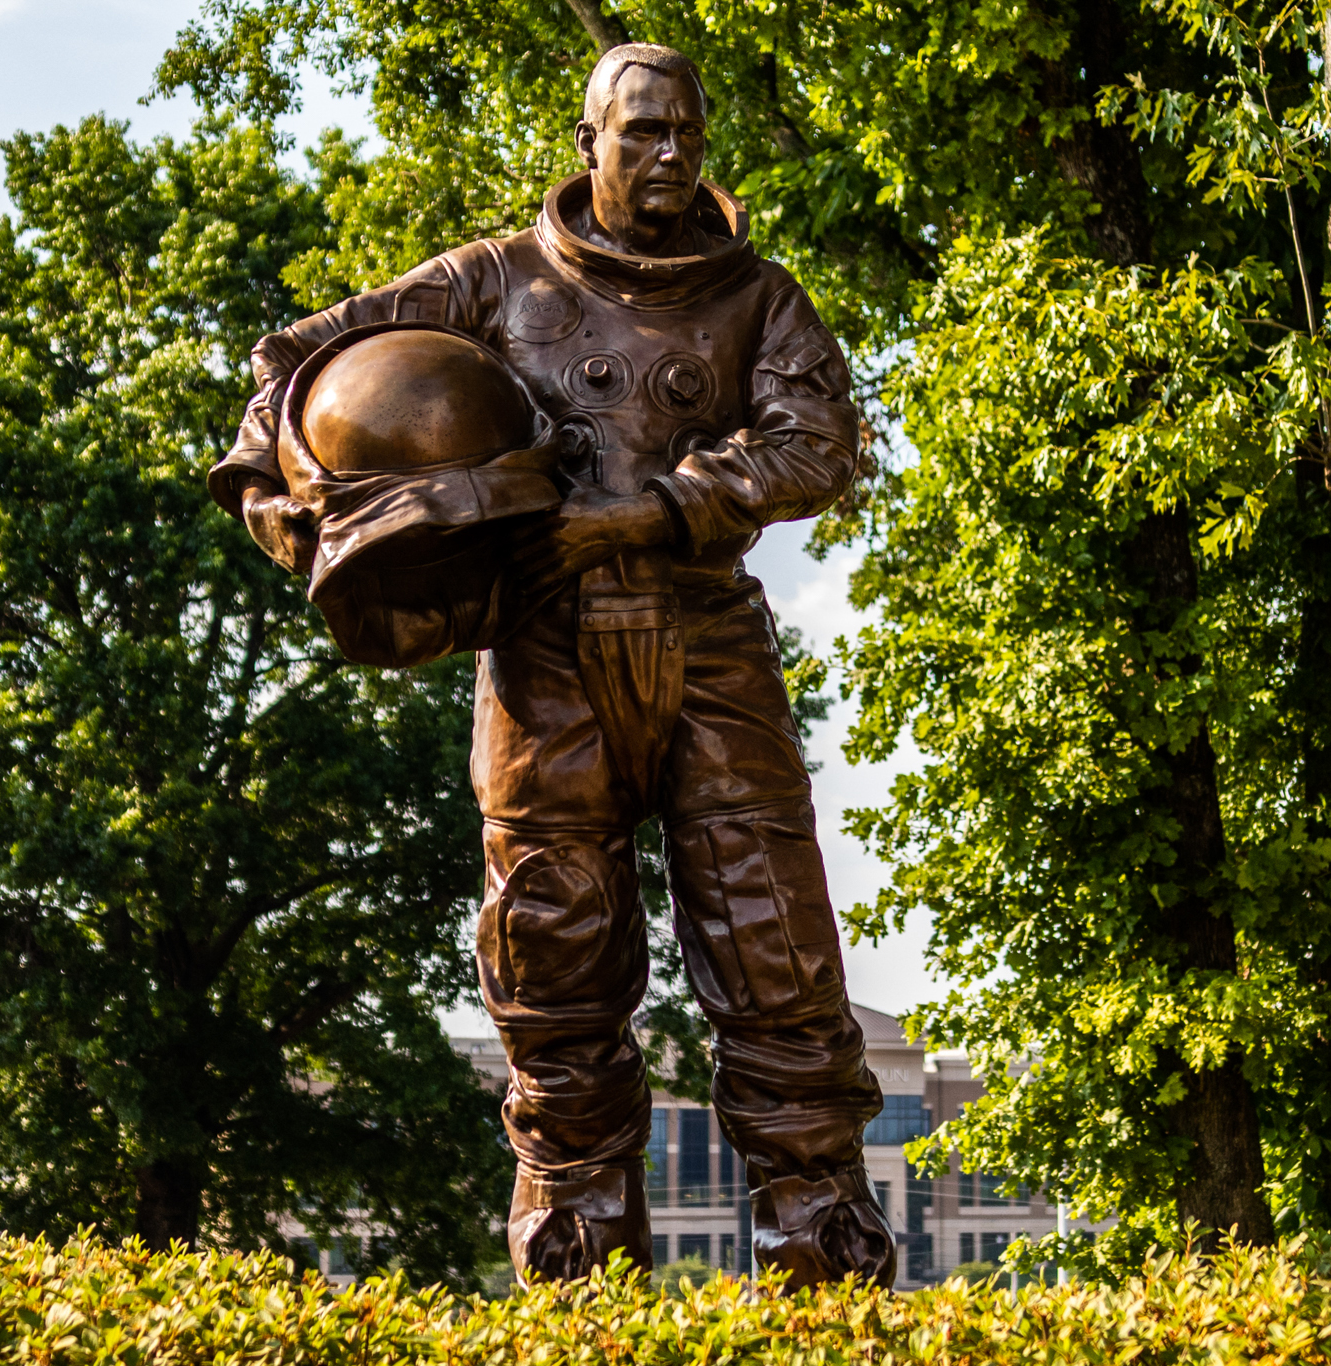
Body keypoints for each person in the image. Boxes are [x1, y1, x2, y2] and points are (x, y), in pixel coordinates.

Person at [211, 42, 894, 1288]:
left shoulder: (757, 297)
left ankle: (824, 1265)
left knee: (776, 950)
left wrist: (648, 509)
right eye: (640, 130)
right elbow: (294, 363)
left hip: (707, 639)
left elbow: (816, 443)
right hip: (541, 653)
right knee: (552, 961)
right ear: (589, 142)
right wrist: (281, 490)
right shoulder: (492, 279)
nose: (667, 152)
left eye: (685, 132)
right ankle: (577, 1274)